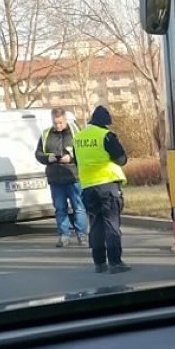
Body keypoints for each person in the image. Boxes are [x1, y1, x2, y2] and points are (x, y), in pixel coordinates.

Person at [72, 105, 130, 274]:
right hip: (107, 185)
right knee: (111, 224)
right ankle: (115, 262)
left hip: (88, 187)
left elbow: (77, 161)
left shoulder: (78, 138)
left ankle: (99, 263)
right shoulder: (106, 136)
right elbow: (121, 159)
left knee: (95, 224)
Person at [35, 108, 87, 248]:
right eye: (55, 123)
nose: (58, 126)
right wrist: (48, 157)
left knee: (79, 207)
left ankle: (82, 235)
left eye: (61, 123)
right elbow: (38, 153)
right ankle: (63, 236)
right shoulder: (46, 134)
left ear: (65, 120)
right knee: (60, 208)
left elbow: (84, 152)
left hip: (73, 175)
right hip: (55, 177)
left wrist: (71, 157)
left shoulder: (76, 132)